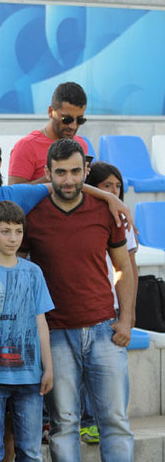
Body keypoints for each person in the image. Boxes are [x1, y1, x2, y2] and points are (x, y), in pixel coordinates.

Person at [0, 134, 130, 460]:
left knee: (19, 424)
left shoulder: (16, 196)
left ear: (0, 165)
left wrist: (109, 197)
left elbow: (64, 184)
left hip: (23, 330)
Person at [23, 139, 135, 461]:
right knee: (63, 424)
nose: (69, 180)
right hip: (55, 333)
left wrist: (126, 320)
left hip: (104, 330)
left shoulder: (105, 210)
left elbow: (124, 267)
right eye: (60, 172)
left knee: (115, 421)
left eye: (75, 171)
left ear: (86, 171)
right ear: (48, 173)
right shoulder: (33, 214)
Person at [0, 200, 54, 462]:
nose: (13, 238)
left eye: (18, 231)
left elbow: (41, 322)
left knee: (30, 451)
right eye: (5, 231)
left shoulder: (33, 273)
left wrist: (48, 367)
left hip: (29, 376)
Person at [81, 161, 139, 444]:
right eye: (107, 186)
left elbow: (130, 268)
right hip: (82, 304)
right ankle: (88, 422)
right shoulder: (84, 215)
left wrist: (130, 313)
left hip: (111, 305)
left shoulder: (122, 220)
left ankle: (110, 421)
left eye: (118, 187)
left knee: (112, 371)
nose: (114, 192)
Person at [8, 82, 91, 184]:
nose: (73, 126)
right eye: (66, 119)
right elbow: (14, 191)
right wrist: (54, 175)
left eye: (80, 120)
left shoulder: (81, 144)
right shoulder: (27, 146)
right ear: (51, 111)